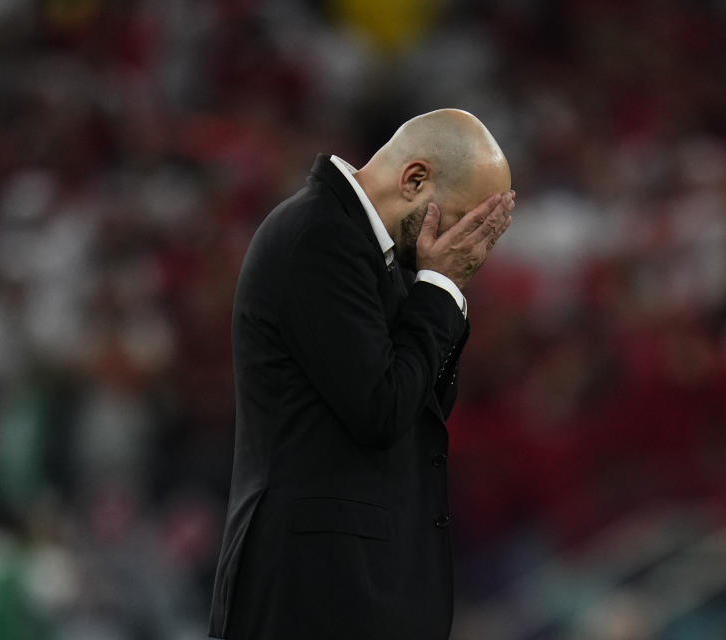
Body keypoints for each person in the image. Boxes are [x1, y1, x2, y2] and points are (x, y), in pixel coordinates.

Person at [208, 109, 515, 639]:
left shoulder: (380, 258)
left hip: (350, 589)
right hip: (310, 594)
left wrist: (436, 288)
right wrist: (441, 289)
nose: (469, 246)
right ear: (415, 179)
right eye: (464, 218)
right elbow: (381, 407)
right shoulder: (319, 236)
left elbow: (426, 405)